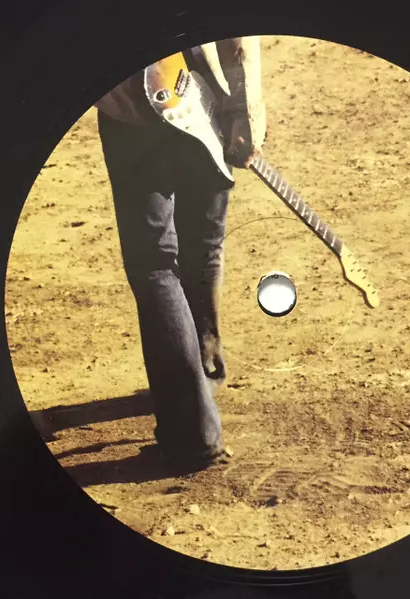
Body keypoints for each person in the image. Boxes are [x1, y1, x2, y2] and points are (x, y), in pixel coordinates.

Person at [94, 37, 266, 473]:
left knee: (155, 264)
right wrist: (245, 109)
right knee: (203, 244)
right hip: (204, 93)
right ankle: (202, 378)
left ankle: (193, 436)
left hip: (136, 104)